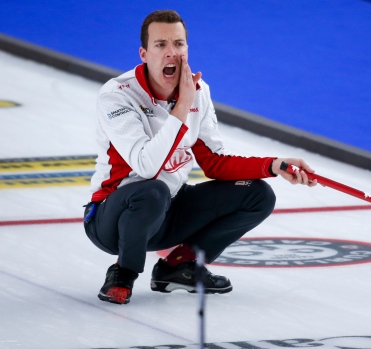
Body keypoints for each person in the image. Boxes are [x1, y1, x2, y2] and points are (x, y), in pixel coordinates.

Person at [84, 9, 317, 305]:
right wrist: (182, 106)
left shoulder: (198, 92)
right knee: (151, 189)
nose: (172, 53)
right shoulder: (117, 95)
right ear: (144, 53)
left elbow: (214, 163)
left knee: (257, 194)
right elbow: (146, 165)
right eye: (161, 45)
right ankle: (123, 274)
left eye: (179, 44)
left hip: (166, 211)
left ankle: (180, 265)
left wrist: (272, 165)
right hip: (111, 219)